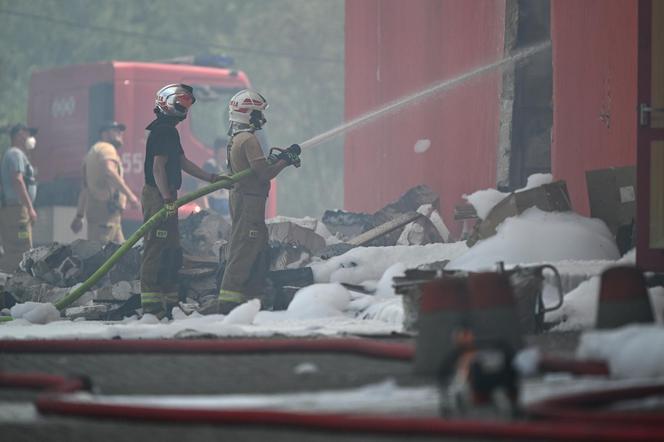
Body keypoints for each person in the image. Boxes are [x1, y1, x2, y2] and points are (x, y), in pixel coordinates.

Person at [208, 89, 301, 314]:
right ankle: (228, 301)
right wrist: (285, 161)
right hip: (250, 202)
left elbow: (256, 168)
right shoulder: (249, 139)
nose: (263, 119)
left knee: (258, 248)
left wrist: (277, 159)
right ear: (247, 114)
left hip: (247, 200)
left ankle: (252, 298)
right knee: (244, 249)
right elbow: (263, 174)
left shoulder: (237, 138)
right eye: (258, 113)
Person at [140, 83, 224, 318]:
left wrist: (212, 178)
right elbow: (158, 169)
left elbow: (183, 163)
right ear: (167, 103)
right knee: (156, 248)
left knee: (171, 249)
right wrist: (167, 198)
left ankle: (169, 300)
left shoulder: (168, 130)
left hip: (166, 196)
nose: (185, 109)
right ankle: (151, 305)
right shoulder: (163, 131)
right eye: (182, 102)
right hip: (159, 196)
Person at [70, 121, 139, 243]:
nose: (120, 133)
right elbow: (110, 172)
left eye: (120, 130)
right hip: (105, 219)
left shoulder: (91, 152)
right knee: (101, 255)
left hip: (108, 218)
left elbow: (85, 189)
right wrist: (131, 197)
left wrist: (79, 216)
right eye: (115, 130)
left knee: (120, 255)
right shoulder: (107, 148)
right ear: (104, 134)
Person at [0, 123, 38, 272]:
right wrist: (30, 208)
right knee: (20, 249)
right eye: (28, 133)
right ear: (20, 134)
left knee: (19, 247)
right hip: (17, 213)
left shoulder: (16, 154)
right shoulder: (15, 153)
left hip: (16, 211)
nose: (30, 138)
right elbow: (17, 179)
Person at [200, 136, 230, 217]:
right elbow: (203, 187)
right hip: (214, 201)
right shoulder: (209, 165)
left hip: (227, 201)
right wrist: (206, 207)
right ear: (216, 152)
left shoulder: (228, 166)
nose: (224, 156)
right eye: (222, 153)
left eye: (225, 153)